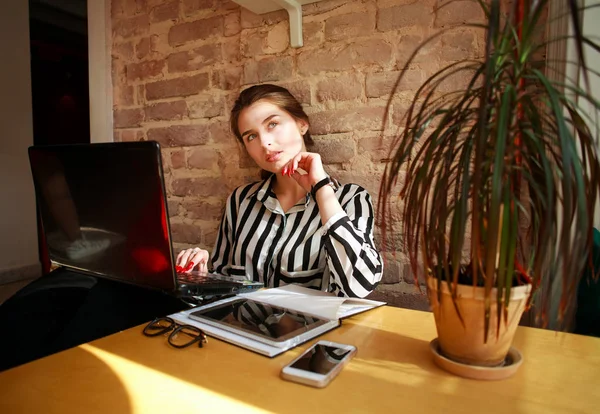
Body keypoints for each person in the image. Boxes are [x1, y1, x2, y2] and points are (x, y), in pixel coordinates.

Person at [176, 84, 383, 298]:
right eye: (251, 137)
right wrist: (200, 277)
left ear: (302, 124)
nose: (265, 143)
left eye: (273, 124)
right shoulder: (240, 201)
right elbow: (224, 285)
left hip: (316, 329)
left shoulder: (351, 199)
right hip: (242, 329)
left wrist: (322, 190)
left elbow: (360, 286)